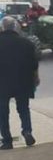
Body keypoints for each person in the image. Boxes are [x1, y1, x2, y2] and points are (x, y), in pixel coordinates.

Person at [0, 17, 38, 149]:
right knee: (23, 109)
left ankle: (7, 140)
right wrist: (36, 79)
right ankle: (27, 131)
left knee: (3, 112)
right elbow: (34, 64)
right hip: (23, 82)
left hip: (2, 84)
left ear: (2, 27)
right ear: (15, 27)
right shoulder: (27, 43)